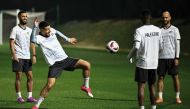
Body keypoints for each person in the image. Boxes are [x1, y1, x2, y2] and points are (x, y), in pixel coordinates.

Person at [30, 20, 93, 109]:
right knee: (49, 85)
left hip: (65, 59)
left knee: (87, 65)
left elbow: (58, 32)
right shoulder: (38, 38)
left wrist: (68, 39)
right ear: (41, 30)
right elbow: (32, 40)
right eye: (46, 30)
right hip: (55, 64)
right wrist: (34, 27)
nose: (49, 31)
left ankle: (85, 86)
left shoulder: (51, 31)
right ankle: (37, 105)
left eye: (49, 29)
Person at [127, 10, 162, 109]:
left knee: (141, 87)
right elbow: (161, 47)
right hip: (154, 63)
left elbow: (136, 46)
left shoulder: (139, 30)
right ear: (150, 18)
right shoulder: (158, 30)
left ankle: (142, 108)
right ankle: (153, 108)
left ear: (142, 18)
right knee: (152, 86)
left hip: (143, 62)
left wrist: (130, 56)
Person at [9, 10, 37, 103]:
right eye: (23, 16)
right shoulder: (15, 29)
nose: (25, 17)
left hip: (27, 57)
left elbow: (32, 43)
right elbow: (11, 43)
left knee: (30, 77)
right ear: (19, 17)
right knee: (18, 77)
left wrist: (33, 55)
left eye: (26, 16)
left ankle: (30, 97)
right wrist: (14, 55)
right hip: (18, 56)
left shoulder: (30, 30)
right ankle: (19, 97)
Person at [156, 11, 182, 104]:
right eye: (163, 17)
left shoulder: (175, 29)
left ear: (170, 18)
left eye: (166, 17)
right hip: (161, 58)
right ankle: (160, 97)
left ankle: (177, 97)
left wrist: (177, 57)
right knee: (160, 77)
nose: (165, 19)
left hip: (172, 58)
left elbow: (177, 44)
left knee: (175, 77)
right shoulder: (158, 30)